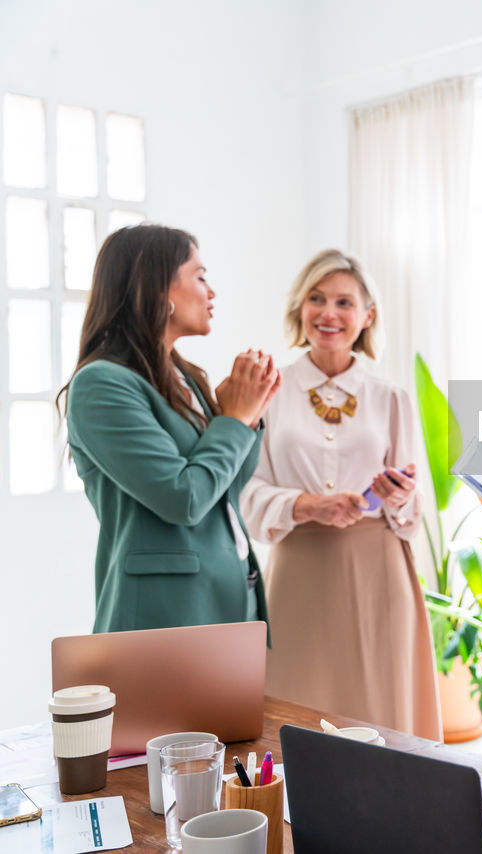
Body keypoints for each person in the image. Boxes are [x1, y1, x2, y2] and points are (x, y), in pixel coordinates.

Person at [240, 249, 441, 739]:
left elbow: (416, 512)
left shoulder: (391, 397)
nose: (329, 314)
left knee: (382, 716)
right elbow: (247, 496)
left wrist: (395, 495)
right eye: (317, 299)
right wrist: (307, 504)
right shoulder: (268, 390)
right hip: (298, 574)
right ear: (299, 310)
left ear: (367, 316)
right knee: (294, 717)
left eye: (344, 302)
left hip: (380, 577)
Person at [61, 224, 280, 633]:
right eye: (200, 276)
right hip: (164, 615)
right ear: (159, 289)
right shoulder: (101, 384)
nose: (211, 292)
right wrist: (233, 420)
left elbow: (226, 489)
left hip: (229, 598)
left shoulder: (187, 376)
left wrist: (250, 414)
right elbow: (183, 498)